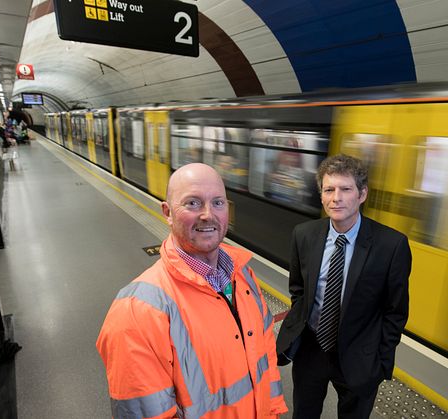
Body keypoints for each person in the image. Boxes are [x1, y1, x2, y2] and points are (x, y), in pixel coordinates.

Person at [96, 163, 288, 418]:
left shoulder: (244, 276)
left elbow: (265, 357)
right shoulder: (136, 312)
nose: (208, 214)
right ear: (167, 212)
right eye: (193, 203)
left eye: (218, 203)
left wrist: (272, 412)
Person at [276, 154, 412, 418]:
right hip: (311, 349)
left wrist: (381, 360)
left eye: (345, 189)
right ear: (322, 195)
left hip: (360, 356)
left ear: (362, 194)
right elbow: (298, 290)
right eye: (329, 189)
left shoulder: (391, 246)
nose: (336, 197)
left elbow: (395, 310)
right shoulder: (304, 235)